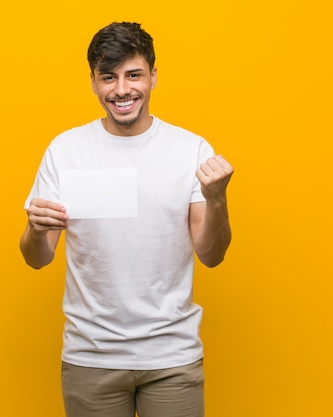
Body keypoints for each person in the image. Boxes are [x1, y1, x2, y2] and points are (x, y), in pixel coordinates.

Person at [20, 21, 233, 417]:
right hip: (90, 356)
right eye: (108, 77)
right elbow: (37, 257)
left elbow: (211, 254)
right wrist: (34, 230)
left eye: (133, 74)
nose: (121, 90)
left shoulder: (190, 149)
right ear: (93, 82)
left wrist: (216, 198)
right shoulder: (65, 150)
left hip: (172, 355)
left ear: (153, 75)